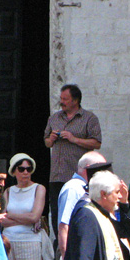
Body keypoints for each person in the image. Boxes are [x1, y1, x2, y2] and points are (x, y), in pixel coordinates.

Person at [44, 84, 102, 242]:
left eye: (65, 99)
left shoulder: (89, 118)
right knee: (57, 213)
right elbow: (47, 143)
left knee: (78, 211)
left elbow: (97, 143)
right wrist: (52, 139)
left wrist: (73, 139)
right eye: (61, 98)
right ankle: (60, 245)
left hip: (78, 177)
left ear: (75, 100)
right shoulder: (54, 118)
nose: (61, 102)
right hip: (57, 175)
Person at [0, 153, 46, 260]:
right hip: (9, 242)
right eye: (22, 169)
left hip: (30, 242)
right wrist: (25, 220)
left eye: (29, 169)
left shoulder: (38, 189)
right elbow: (2, 220)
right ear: (14, 171)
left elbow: (34, 216)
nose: (26, 172)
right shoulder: (7, 191)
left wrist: (13, 218)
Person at [56, 151, 106, 258]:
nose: (104, 172)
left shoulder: (87, 187)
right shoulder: (73, 188)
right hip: (74, 253)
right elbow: (64, 225)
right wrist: (66, 259)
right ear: (88, 168)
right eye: (101, 168)